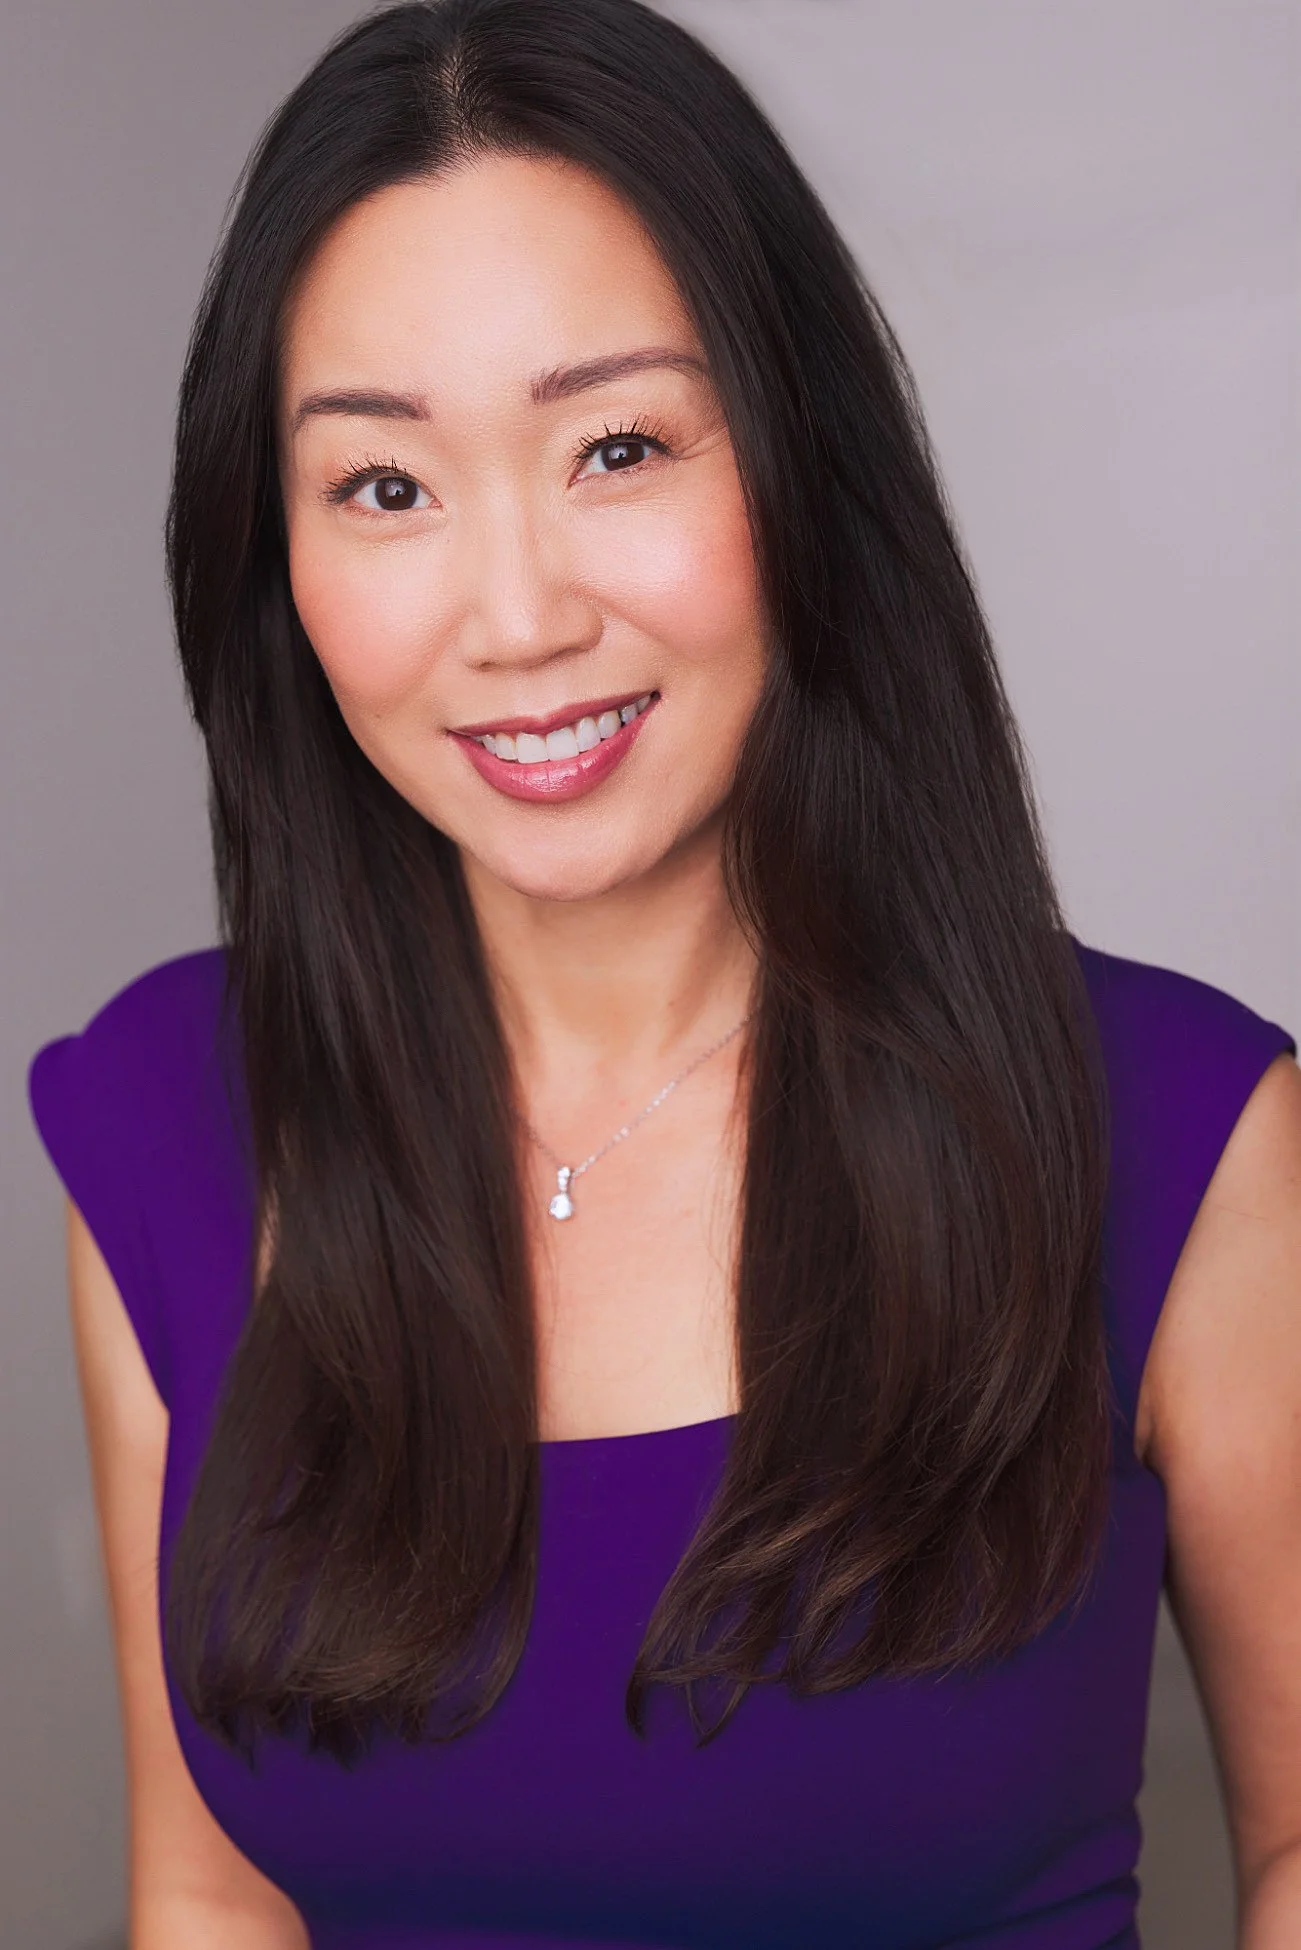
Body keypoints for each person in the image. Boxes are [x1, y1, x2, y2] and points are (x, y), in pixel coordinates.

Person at [26, 1, 1301, 1945]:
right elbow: (209, 1896)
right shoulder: (163, 1132)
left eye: (615, 446)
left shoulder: (1174, 1131)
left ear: (796, 469)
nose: (519, 615)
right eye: (385, 486)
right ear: (268, 554)